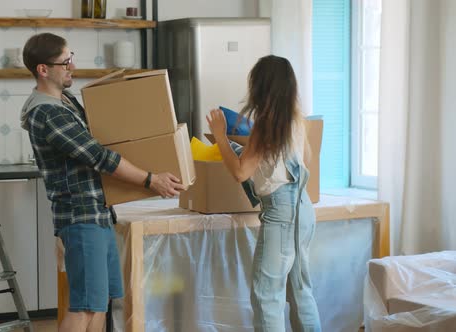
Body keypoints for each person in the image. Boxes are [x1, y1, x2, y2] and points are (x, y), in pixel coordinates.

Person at [20, 33, 185, 332]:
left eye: (71, 58)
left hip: (98, 214)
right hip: (81, 217)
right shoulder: (47, 113)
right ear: (43, 69)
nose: (72, 66)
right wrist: (151, 181)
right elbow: (100, 157)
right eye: (65, 61)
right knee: (84, 306)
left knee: (100, 303)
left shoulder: (65, 102)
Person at [207, 55, 321, 332]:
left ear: (260, 87)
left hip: (281, 214)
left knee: (266, 296)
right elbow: (302, 162)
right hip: (303, 209)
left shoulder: (266, 125)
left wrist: (221, 136)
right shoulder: (296, 121)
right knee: (301, 291)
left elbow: (240, 173)